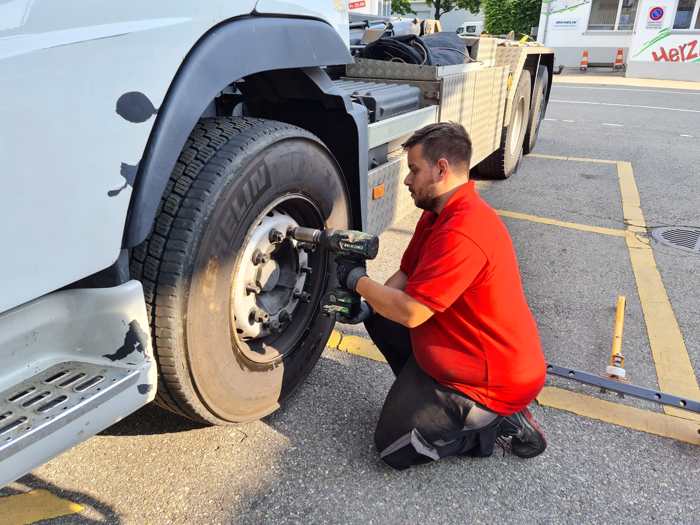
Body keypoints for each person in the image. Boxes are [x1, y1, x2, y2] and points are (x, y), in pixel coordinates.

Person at [335, 122, 547, 470]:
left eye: (414, 170)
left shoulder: (465, 230)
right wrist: (368, 300)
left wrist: (356, 280)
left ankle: (495, 421)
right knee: (378, 310)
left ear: (442, 169)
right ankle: (425, 396)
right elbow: (403, 277)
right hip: (458, 352)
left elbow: (413, 312)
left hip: (491, 381)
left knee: (392, 449)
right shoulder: (438, 213)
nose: (406, 180)